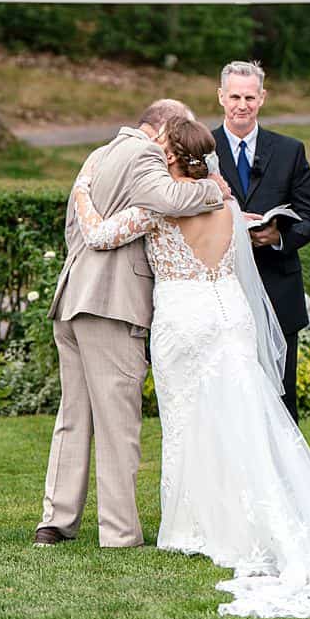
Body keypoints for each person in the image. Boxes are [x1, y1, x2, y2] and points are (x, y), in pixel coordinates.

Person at [74, 117, 310, 618]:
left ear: (168, 157)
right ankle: (248, 519)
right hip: (231, 315)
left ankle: (192, 527)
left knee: (188, 423)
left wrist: (82, 187)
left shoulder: (160, 206)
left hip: (184, 318)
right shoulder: (225, 201)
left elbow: (99, 235)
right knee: (246, 419)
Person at [33, 100, 229, 549]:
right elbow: (170, 199)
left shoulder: (97, 155)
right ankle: (119, 532)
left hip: (73, 297)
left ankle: (56, 520)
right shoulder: (144, 155)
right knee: (119, 421)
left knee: (73, 416)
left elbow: (74, 229)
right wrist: (216, 191)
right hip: (111, 302)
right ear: (161, 130)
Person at [211, 60, 310, 423]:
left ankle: (286, 478)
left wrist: (278, 237)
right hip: (223, 289)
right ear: (220, 97)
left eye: (249, 97)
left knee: (280, 396)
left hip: (278, 287)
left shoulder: (289, 150)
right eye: (234, 97)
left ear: (262, 98)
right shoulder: (202, 149)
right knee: (227, 396)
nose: (241, 105)